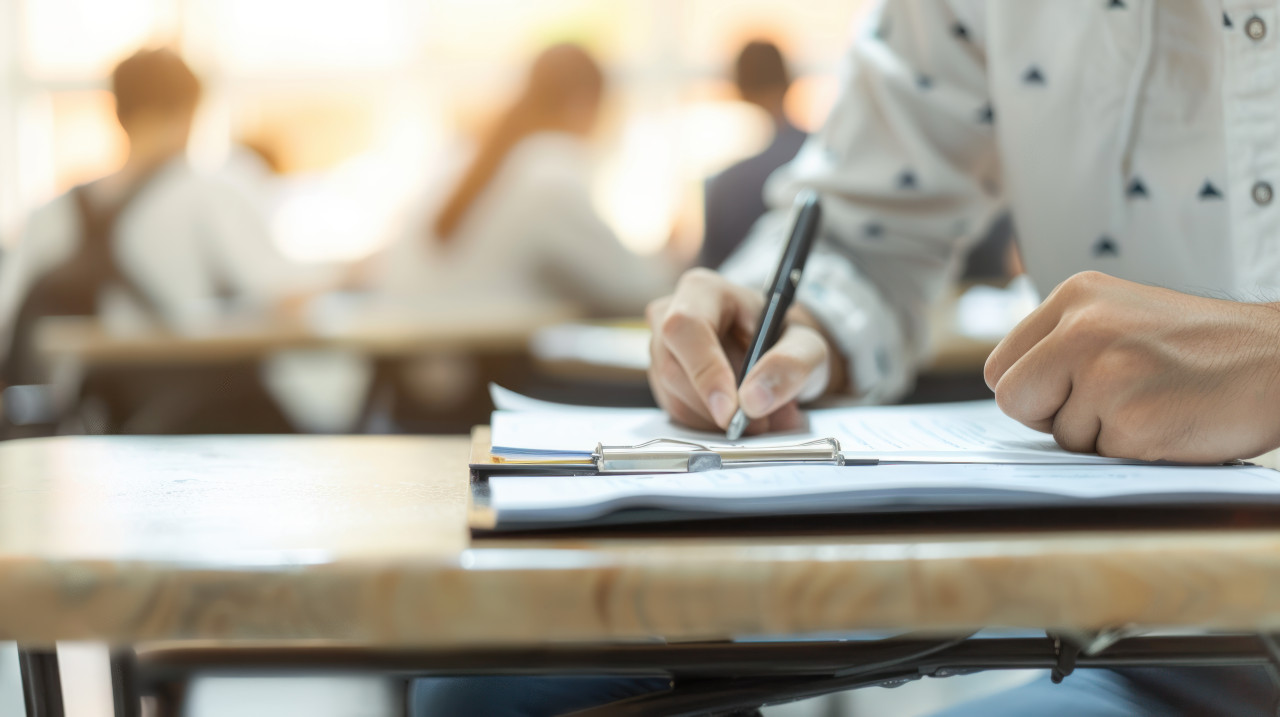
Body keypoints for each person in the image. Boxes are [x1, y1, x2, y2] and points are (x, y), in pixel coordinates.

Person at [415, 2, 1280, 715]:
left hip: (1206, 630)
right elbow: (869, 227)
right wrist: (794, 321)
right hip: (1131, 589)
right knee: (497, 682)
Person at [0, 48, 303, 431]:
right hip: (201, 413)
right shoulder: (207, 193)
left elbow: (7, 322)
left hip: (87, 419)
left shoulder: (53, 212)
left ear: (118, 112)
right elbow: (284, 294)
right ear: (189, 114)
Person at [375, 43, 673, 318]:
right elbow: (634, 290)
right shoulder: (549, 171)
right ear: (583, 104)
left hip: (407, 361)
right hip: (487, 363)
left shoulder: (467, 157)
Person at [698, 40, 808, 269]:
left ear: (738, 88)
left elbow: (709, 269)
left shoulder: (724, 181)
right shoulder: (822, 157)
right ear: (788, 81)